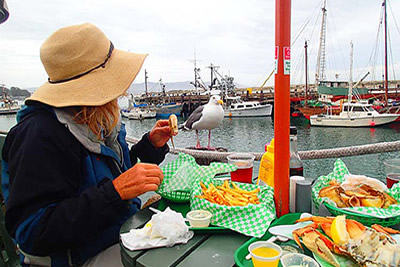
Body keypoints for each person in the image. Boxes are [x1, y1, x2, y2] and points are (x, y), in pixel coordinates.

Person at [1, 23, 174, 266]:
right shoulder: (38, 135)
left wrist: (149, 147)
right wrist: (115, 193)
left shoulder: (97, 117)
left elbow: (112, 174)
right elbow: (33, 232)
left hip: (119, 234)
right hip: (77, 258)